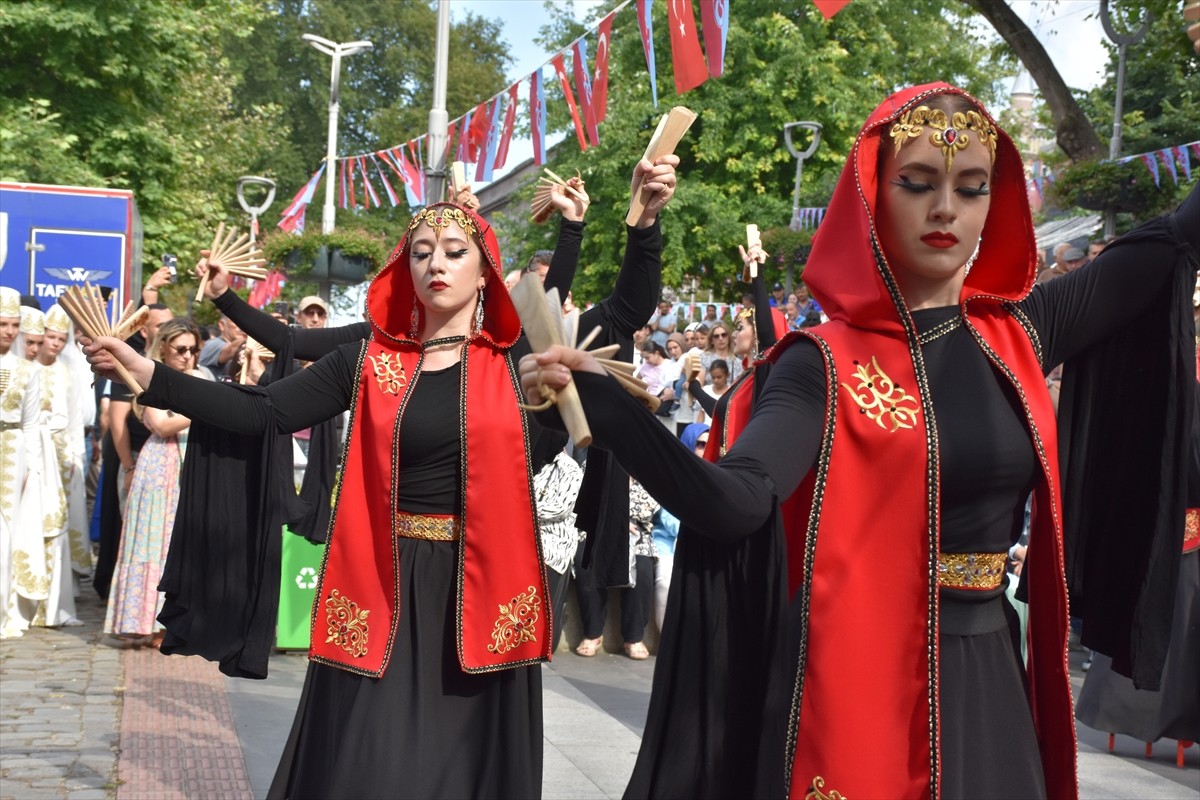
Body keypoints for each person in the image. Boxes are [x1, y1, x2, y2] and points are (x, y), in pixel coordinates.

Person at [520, 83, 1199, 799]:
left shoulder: (1021, 335)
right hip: (860, 680)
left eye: (971, 188)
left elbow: (1177, 236)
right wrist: (608, 406)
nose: (946, 208)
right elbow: (737, 501)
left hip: (991, 674)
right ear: (873, 194)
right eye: (918, 183)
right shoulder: (821, 362)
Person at [84, 155, 678, 798]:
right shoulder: (367, 359)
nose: (435, 264)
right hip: (380, 585)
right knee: (367, 766)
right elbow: (262, 413)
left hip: (484, 588)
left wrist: (644, 221)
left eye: (454, 251)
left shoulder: (519, 361)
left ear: (485, 271)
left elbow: (624, 311)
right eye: (421, 252)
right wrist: (149, 376)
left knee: (463, 775)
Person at [103, 319, 207, 648]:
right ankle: (143, 621)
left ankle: (176, 624)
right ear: (163, 346)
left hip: (193, 463)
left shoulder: (202, 378)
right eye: (181, 349)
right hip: (159, 466)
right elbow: (160, 425)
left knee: (183, 542)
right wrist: (208, 406)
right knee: (153, 542)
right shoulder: (151, 377)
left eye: (194, 349)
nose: (188, 356)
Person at [0, 288, 48, 638]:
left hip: (12, 453)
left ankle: (5, 607)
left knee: (7, 530)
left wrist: (33, 466)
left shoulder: (27, 370)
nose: (10, 331)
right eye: (3, 324)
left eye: (15, 324)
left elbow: (30, 423)